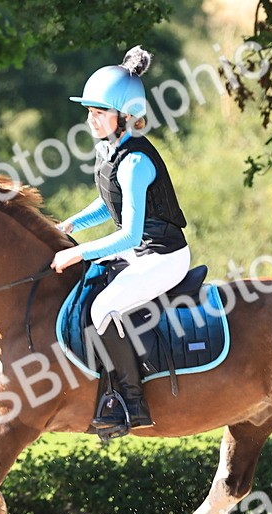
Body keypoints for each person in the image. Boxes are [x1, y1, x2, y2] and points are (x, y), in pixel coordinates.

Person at [51, 46, 191, 439]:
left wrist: (77, 250)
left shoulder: (134, 161)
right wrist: (72, 223)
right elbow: (107, 202)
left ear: (125, 116)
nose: (91, 119)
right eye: (90, 111)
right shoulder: (111, 150)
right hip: (140, 250)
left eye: (99, 112)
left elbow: (128, 233)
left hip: (163, 255)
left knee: (102, 308)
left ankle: (133, 403)